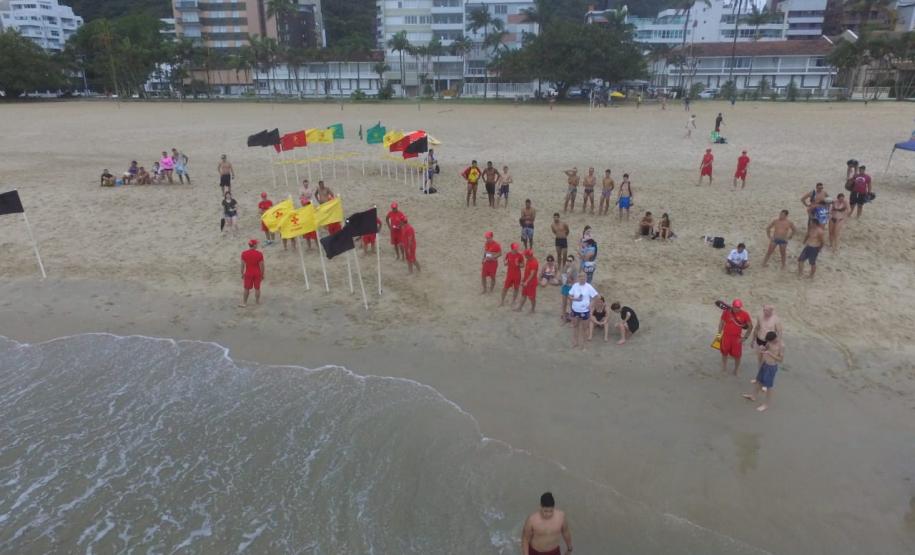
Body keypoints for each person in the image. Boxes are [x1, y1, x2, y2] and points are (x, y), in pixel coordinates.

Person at [742, 331, 784, 412]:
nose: (769, 343)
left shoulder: (781, 345)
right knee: (758, 381)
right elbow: (766, 348)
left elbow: (781, 360)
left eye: (770, 341)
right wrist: (763, 348)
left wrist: (770, 353)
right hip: (764, 364)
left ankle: (766, 404)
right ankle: (753, 396)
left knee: (768, 386)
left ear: (774, 339)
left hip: (771, 367)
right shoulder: (769, 342)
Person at [718, 298, 751, 375]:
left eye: (739, 307)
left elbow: (750, 327)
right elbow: (721, 323)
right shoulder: (726, 312)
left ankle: (736, 370)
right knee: (724, 353)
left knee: (737, 356)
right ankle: (724, 367)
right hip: (726, 336)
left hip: (736, 338)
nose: (737, 309)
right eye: (736, 307)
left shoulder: (745, 314)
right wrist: (719, 334)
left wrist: (745, 338)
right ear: (732, 306)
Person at [568, 272, 599, 349]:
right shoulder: (575, 285)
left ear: (586, 278)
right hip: (575, 310)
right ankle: (575, 343)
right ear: (578, 278)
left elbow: (596, 296)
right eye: (581, 277)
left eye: (584, 277)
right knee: (575, 326)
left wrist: (591, 305)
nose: (582, 278)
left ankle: (584, 345)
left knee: (584, 328)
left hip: (584, 311)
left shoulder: (588, 286)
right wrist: (575, 299)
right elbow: (569, 295)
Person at [240, 239, 265, 308]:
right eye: (256, 244)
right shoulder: (259, 254)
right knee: (257, 288)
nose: (257, 245)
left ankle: (244, 303)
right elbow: (262, 265)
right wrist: (262, 274)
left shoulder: (244, 253)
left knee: (246, 288)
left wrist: (242, 273)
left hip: (248, 272)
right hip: (257, 272)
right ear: (254, 245)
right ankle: (257, 302)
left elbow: (242, 265)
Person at [500, 243, 524, 307]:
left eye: (517, 248)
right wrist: (505, 262)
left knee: (516, 289)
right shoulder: (508, 254)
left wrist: (518, 264)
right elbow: (505, 262)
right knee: (505, 288)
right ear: (512, 249)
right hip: (509, 275)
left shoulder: (520, 255)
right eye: (515, 248)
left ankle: (513, 301)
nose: (516, 249)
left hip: (517, 275)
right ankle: (502, 301)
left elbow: (523, 265)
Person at [559, 255, 577, 321]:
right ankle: (564, 316)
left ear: (573, 261)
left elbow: (574, 281)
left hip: (571, 288)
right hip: (565, 287)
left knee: (571, 304)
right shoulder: (565, 267)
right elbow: (561, 277)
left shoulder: (574, 269)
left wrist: (568, 277)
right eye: (567, 260)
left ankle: (572, 317)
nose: (568, 262)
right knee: (564, 303)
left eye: (570, 260)